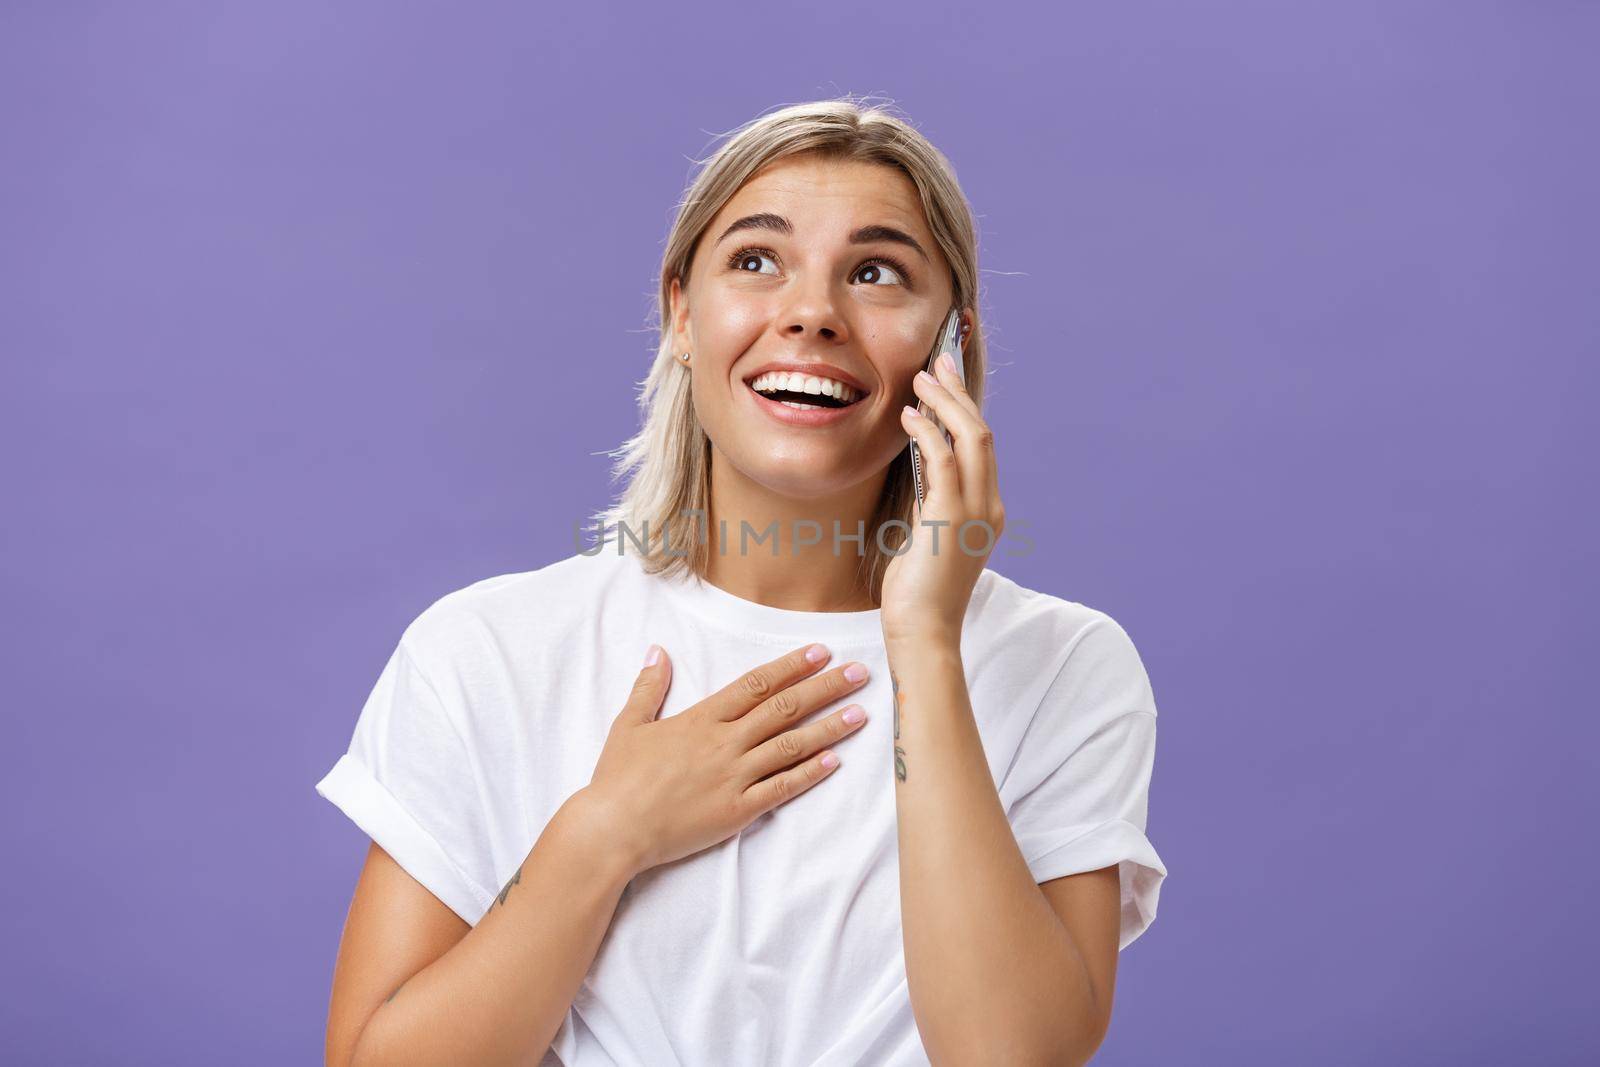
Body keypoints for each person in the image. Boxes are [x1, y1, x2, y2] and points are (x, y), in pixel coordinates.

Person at [314, 97, 1167, 1067]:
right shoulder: (486, 650)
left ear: (952, 347)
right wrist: (606, 831)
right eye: (756, 260)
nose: (810, 311)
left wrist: (925, 639)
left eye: (875, 271)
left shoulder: (1063, 664)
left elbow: (1008, 1054)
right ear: (681, 312)